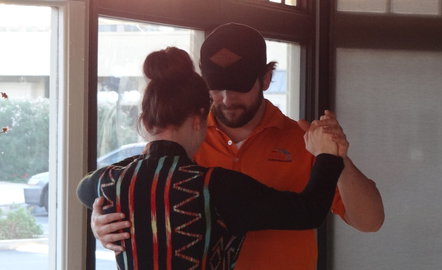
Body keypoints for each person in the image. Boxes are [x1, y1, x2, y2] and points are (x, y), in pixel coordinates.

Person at [91, 23, 385, 269]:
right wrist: (101, 220)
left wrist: (337, 156)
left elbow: (370, 221)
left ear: (267, 78)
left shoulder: (305, 141)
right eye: (217, 87)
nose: (227, 98)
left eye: (240, 86)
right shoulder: (186, 138)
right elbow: (134, 190)